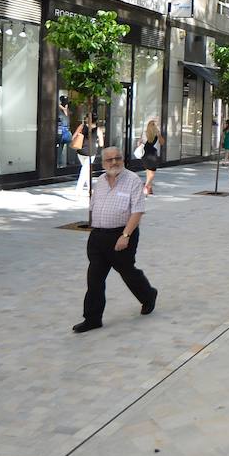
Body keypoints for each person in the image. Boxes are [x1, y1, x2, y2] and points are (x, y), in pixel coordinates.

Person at [73, 147, 158, 334]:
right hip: (98, 236)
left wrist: (125, 236)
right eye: (109, 160)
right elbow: (95, 206)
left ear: (123, 160)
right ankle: (92, 318)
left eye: (117, 158)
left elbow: (137, 211)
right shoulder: (100, 181)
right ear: (103, 163)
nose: (113, 162)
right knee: (94, 279)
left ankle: (148, 295)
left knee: (127, 272)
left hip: (122, 235)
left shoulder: (133, 180)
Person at [72, 115, 102, 200]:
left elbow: (73, 137)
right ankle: (78, 191)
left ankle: (90, 189)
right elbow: (101, 144)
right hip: (91, 153)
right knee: (84, 171)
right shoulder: (98, 130)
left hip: (80, 152)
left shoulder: (82, 126)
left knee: (86, 171)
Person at [140, 120, 165, 195]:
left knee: (149, 171)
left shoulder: (144, 133)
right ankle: (147, 186)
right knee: (152, 172)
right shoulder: (156, 134)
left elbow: (140, 142)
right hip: (152, 154)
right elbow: (162, 142)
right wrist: (159, 135)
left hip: (145, 154)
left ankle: (149, 188)